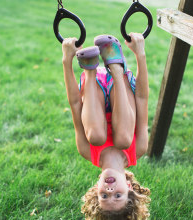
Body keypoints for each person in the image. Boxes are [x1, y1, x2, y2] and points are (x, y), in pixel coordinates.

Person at [61, 33, 151, 219]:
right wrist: (140, 54)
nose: (110, 190)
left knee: (96, 137)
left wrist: (66, 60)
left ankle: (90, 67)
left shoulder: (87, 151)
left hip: (94, 86)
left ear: (96, 189)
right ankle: (116, 66)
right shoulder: (139, 148)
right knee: (124, 140)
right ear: (128, 188)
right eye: (117, 195)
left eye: (104, 195)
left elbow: (76, 105)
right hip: (121, 85)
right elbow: (142, 99)